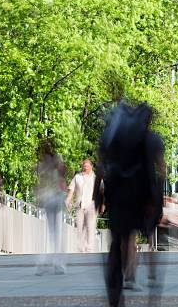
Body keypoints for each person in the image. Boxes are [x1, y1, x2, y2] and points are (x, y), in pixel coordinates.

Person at [99, 101, 165, 307]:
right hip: (143, 198)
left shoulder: (112, 138)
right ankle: (151, 286)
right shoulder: (152, 139)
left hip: (118, 198)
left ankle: (116, 296)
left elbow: (101, 167)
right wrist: (158, 196)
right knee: (148, 239)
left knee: (118, 243)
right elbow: (161, 170)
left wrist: (97, 197)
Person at [35, 141, 67, 275]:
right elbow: (64, 172)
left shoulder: (43, 164)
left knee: (52, 231)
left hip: (49, 198)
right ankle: (56, 263)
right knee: (56, 231)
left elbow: (62, 172)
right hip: (54, 198)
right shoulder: (52, 161)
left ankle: (48, 263)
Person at [65, 159, 97, 253]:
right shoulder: (77, 177)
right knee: (80, 228)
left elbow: (102, 191)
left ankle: (89, 249)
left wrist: (102, 204)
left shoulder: (96, 178)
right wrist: (68, 200)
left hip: (91, 206)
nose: (85, 167)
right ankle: (80, 248)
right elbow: (71, 189)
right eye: (84, 165)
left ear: (91, 166)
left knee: (90, 227)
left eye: (87, 165)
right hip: (79, 205)